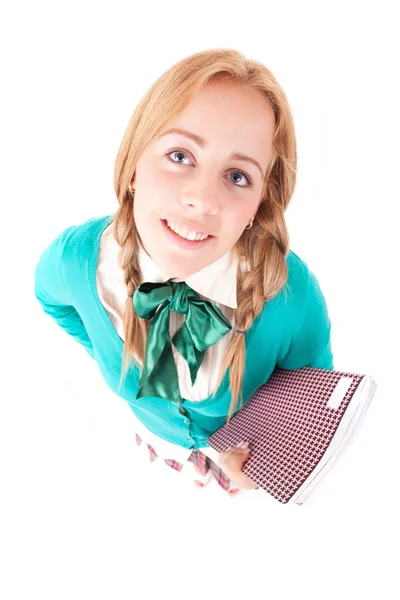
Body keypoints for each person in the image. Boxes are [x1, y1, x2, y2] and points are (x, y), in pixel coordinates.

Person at [33, 48, 334, 496]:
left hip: (235, 464)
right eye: (180, 155)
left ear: (258, 207)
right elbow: (51, 300)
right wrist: (103, 351)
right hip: (153, 445)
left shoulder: (290, 294)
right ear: (135, 164)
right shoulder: (77, 260)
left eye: (237, 177)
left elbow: (311, 401)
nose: (202, 199)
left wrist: (266, 455)